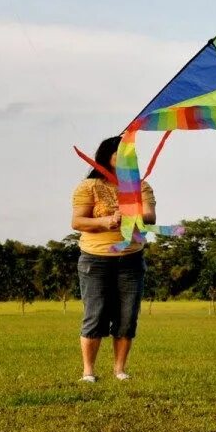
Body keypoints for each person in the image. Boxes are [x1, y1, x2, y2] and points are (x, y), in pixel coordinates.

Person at [71, 136, 154, 383]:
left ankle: (119, 370)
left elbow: (149, 216)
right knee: (95, 314)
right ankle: (88, 372)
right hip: (95, 260)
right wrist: (105, 221)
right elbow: (77, 222)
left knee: (127, 316)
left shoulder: (141, 186)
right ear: (107, 157)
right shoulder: (88, 187)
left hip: (131, 259)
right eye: (121, 154)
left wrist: (131, 211)